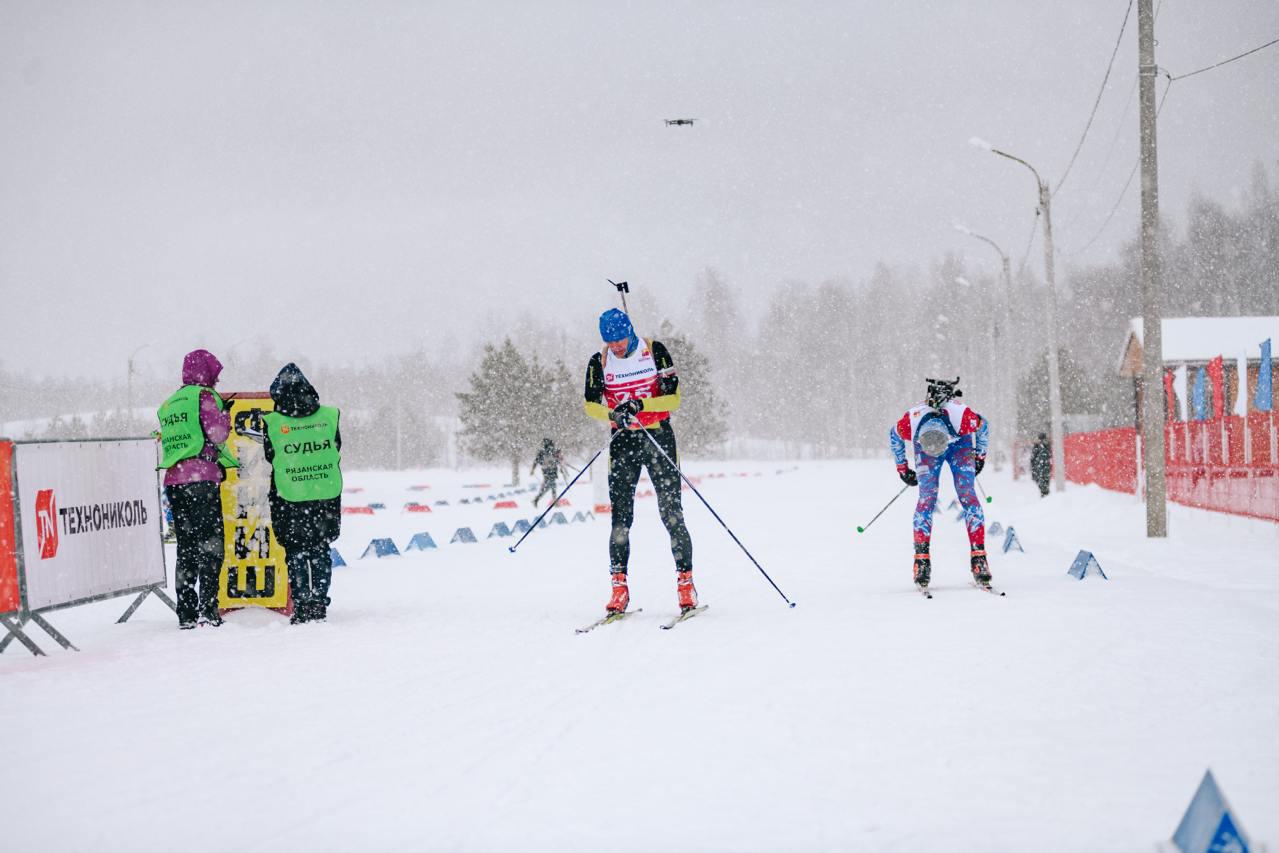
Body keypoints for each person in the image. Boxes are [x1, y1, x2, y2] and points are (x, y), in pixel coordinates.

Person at [584, 308, 696, 614]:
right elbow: (590, 405)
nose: (616, 346)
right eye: (610, 341)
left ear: (630, 332)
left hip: (658, 436)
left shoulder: (654, 351)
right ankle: (619, 588)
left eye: (620, 340)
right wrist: (613, 413)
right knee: (621, 519)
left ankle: (685, 584)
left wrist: (641, 404)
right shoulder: (599, 361)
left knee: (671, 514)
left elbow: (674, 399)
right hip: (623, 441)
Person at [156, 349, 237, 629]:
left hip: (174, 482)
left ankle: (186, 613)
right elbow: (218, 435)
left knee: (186, 548)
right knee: (211, 546)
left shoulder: (170, 403)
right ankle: (208, 610)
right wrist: (224, 415)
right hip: (201, 479)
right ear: (207, 372)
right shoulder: (204, 396)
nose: (217, 379)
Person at [889, 377, 991, 589]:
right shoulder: (911, 422)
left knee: (967, 494)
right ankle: (921, 561)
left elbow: (984, 426)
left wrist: (980, 457)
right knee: (927, 498)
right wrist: (902, 468)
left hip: (959, 443)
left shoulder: (962, 417)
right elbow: (894, 435)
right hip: (926, 449)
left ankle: (979, 558)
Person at [262, 363, 343, 624]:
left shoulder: (273, 423)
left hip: (290, 494)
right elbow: (336, 447)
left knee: (296, 551)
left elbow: (270, 455)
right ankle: (318, 604)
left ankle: (302, 604)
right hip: (324, 493)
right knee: (320, 549)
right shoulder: (329, 416)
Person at [530, 437, 564, 509]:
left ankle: (537, 499)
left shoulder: (543, 452)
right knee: (552, 485)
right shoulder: (552, 451)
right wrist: (561, 467)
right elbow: (558, 460)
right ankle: (554, 501)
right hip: (551, 470)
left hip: (547, 470)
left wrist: (533, 469)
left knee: (550, 486)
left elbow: (536, 461)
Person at [1030, 432, 1052, 498]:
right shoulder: (1046, 445)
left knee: (1042, 483)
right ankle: (1045, 496)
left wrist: (1033, 467)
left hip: (1040, 468)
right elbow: (1049, 456)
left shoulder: (1039, 446)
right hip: (1044, 468)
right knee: (1045, 483)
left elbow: (1033, 458)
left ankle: (1044, 496)